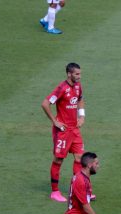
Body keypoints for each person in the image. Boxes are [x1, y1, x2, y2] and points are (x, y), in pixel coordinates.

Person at [42, 62, 89, 202]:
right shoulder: (62, 88)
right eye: (77, 74)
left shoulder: (78, 86)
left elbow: (80, 99)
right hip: (62, 131)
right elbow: (45, 104)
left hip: (74, 129)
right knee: (58, 160)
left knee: (80, 158)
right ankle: (55, 192)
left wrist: (81, 116)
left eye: (80, 74)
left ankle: (77, 189)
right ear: (69, 74)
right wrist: (54, 121)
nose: (79, 76)